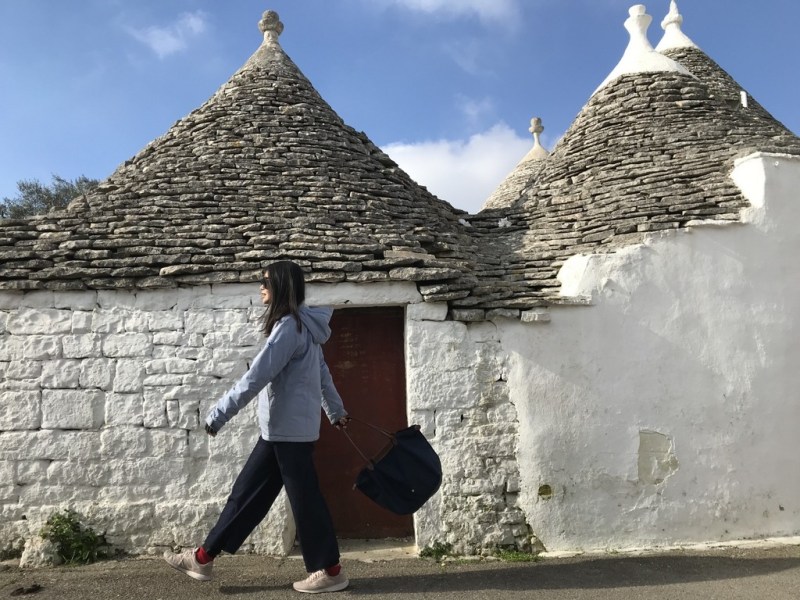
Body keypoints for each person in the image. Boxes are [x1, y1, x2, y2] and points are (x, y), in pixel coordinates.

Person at [163, 260, 351, 594]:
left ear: (282, 286)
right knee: (246, 496)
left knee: (304, 502)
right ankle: (203, 559)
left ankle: (331, 571)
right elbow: (322, 374)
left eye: (265, 280)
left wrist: (219, 414)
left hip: (287, 435)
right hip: (285, 433)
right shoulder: (305, 326)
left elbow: (256, 377)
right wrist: (336, 411)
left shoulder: (289, 329)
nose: (260, 286)